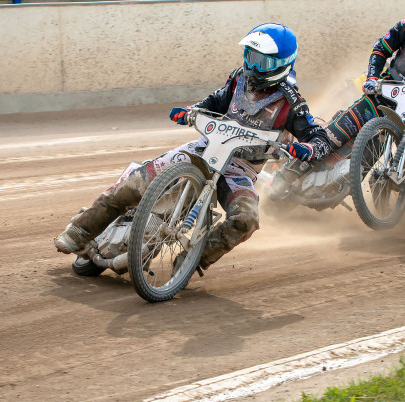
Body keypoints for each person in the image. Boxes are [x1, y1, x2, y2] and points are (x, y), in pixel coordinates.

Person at [54, 23, 332, 270]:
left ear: (282, 64)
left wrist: (308, 149)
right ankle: (80, 231)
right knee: (134, 184)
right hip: (202, 150)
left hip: (238, 172)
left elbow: (318, 137)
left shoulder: (292, 103)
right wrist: (192, 111)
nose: (254, 67)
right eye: (251, 57)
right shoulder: (239, 79)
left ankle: (194, 259)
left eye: (263, 62)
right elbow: (215, 101)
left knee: (246, 218)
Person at [267, 0, 405, 197]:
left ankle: (384, 184)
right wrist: (372, 78)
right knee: (328, 138)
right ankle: (284, 177)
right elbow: (380, 48)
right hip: (376, 99)